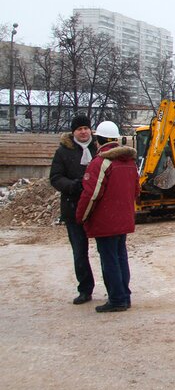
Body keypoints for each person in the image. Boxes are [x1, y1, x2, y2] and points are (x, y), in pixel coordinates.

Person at [76, 120, 140, 313]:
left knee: (109, 259)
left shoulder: (101, 163)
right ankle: (124, 295)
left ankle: (117, 298)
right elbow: (136, 191)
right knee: (120, 257)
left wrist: (81, 217)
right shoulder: (130, 163)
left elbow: (91, 195)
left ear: (99, 140)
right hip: (124, 219)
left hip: (106, 221)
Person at [50, 113, 98, 305]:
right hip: (73, 207)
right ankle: (85, 289)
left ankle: (114, 289)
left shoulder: (98, 148)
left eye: (86, 128)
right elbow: (55, 177)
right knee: (79, 251)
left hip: (97, 208)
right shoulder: (63, 152)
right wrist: (72, 186)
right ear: (73, 132)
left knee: (106, 250)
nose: (83, 132)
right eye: (79, 129)